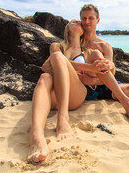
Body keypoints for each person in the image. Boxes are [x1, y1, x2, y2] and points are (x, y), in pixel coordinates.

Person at [27, 19, 109, 163]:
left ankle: (63, 119)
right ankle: (36, 135)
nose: (79, 22)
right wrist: (88, 68)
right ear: (67, 27)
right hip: (53, 96)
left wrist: (65, 66)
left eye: (80, 22)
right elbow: (45, 67)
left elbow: (94, 78)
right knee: (45, 77)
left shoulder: (88, 51)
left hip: (75, 95)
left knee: (57, 59)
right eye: (74, 21)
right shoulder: (57, 46)